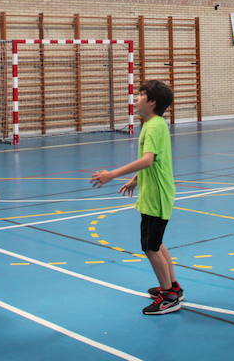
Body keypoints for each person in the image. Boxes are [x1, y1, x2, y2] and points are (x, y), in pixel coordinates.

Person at [91, 80, 180, 315]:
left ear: (152, 102)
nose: (136, 99)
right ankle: (173, 287)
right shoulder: (153, 124)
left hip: (157, 196)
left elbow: (148, 160)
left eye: (141, 95)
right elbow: (155, 160)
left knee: (150, 248)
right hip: (152, 194)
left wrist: (112, 174)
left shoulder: (154, 127)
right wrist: (135, 180)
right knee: (156, 243)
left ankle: (168, 297)